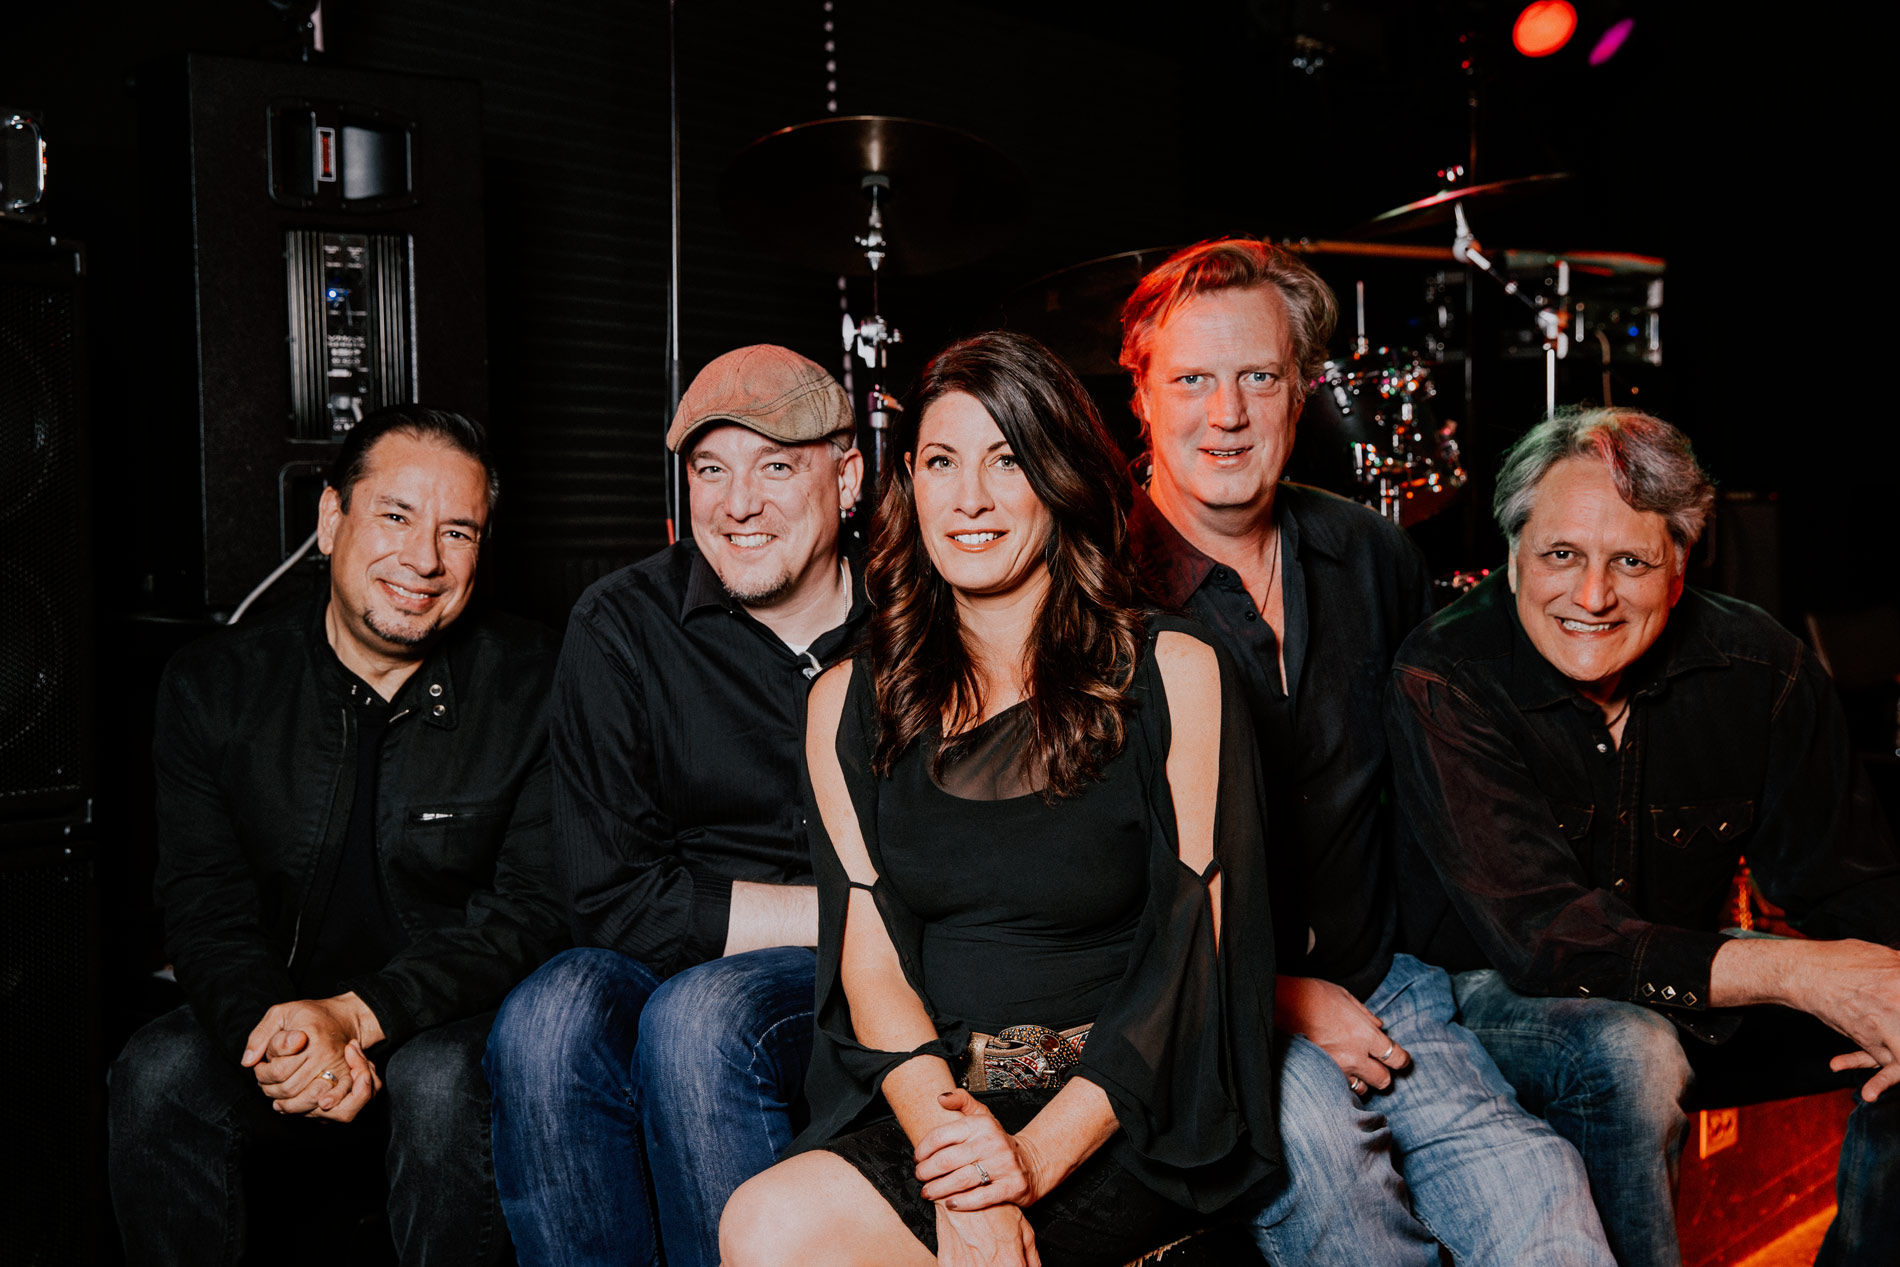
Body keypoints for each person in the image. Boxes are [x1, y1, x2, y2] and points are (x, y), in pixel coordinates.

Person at [720, 330, 1282, 1267]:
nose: (969, 498)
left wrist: (1028, 1158)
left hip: (1123, 1107)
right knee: (765, 1224)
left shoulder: (1174, 672)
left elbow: (1196, 960)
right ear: (911, 484)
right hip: (941, 1100)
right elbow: (873, 966)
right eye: (941, 462)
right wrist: (962, 1158)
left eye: (1007, 460)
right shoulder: (845, 703)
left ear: (1060, 480)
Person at [1118, 237, 1612, 1265]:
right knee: (1343, 1199)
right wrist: (1280, 998)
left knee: (1543, 1200)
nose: (1227, 414)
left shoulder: (1371, 554)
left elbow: (1439, 779)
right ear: (1141, 395)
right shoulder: (1091, 587)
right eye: (1192, 381)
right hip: (1205, 1008)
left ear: (1303, 390)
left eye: (1258, 376)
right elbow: (1083, 878)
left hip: (1385, 983)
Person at [1386, 407, 1900, 1267]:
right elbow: (1546, 939)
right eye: (1561, 555)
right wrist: (1801, 969)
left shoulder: (1759, 663)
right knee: (1628, 1051)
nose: (1592, 597)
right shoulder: (1445, 674)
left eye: (1631, 560)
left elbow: (1849, 876)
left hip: (1686, 973)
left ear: (1679, 565)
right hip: (1482, 999)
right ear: (1514, 550)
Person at [108, 406, 562, 1265]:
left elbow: (531, 914)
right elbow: (204, 906)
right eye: (395, 515)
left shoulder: (537, 685)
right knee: (156, 1073)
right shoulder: (215, 685)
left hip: (450, 1015)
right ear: (330, 520)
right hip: (284, 1013)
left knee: (437, 1084)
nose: (424, 559)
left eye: (457, 531)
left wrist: (357, 1017)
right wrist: (281, 1033)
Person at [484, 345, 869, 1267]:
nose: (738, 504)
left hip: (868, 974)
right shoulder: (620, 624)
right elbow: (611, 900)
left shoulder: (919, 614)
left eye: (776, 465)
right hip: (730, 941)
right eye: (710, 469)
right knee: (544, 1020)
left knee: (701, 1018)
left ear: (847, 476)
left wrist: (880, 927)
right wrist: (850, 913)